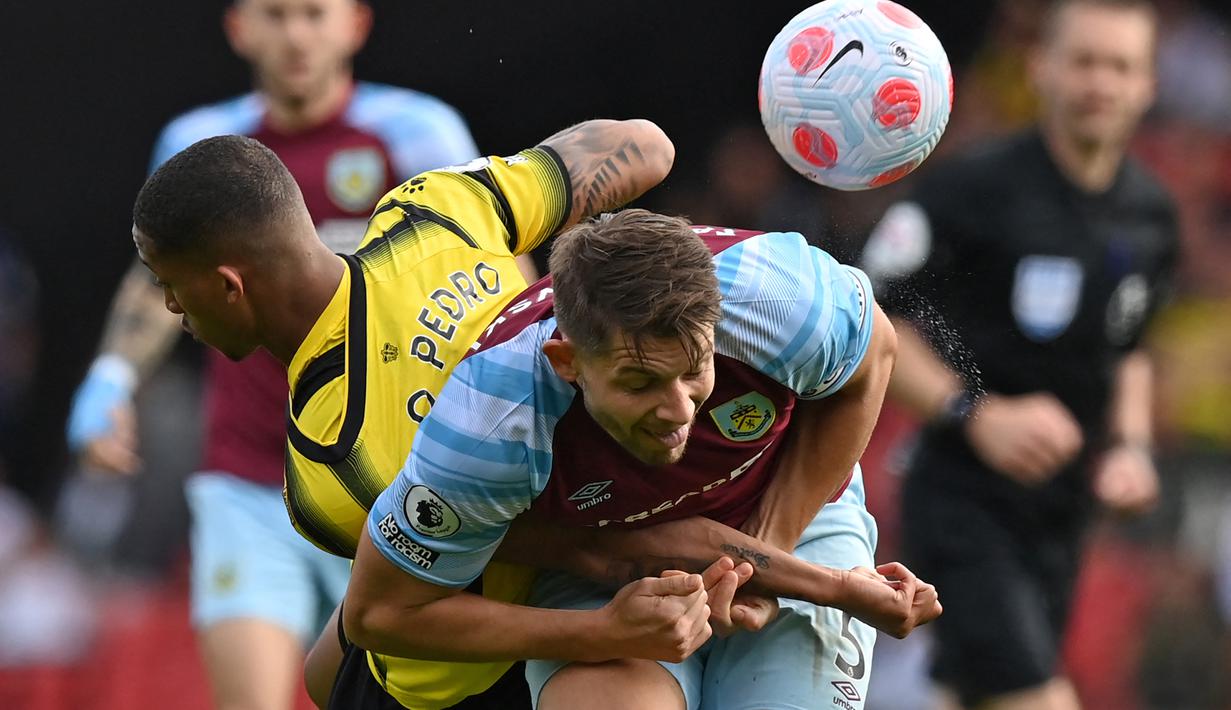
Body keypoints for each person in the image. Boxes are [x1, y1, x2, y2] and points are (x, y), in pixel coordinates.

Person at [129, 115, 685, 708]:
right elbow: (649, 144)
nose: (168, 306)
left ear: (228, 286)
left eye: (169, 284)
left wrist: (604, 633)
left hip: (466, 685)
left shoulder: (331, 460)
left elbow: (403, 613)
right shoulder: (432, 212)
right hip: (609, 564)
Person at [65, 1, 499, 708]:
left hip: (384, 479)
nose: (296, 34)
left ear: (354, 24)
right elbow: (156, 280)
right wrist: (110, 380)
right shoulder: (199, 140)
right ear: (239, 29)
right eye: (274, 14)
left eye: (313, 13)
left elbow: (490, 277)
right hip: (247, 483)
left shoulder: (418, 131)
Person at [343, 208, 941, 710]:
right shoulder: (490, 421)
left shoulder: (779, 299)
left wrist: (767, 558)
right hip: (598, 582)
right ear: (567, 362)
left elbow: (874, 357)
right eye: (639, 384)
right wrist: (602, 632)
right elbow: (379, 613)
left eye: (693, 372)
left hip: (792, 514)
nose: (677, 410)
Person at [858, 1, 1179, 708]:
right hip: (962, 500)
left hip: (1060, 517)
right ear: (1041, 68)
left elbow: (1128, 346)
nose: (1100, 82)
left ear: (1147, 84)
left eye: (1119, 66)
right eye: (1084, 61)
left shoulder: (1152, 215)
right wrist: (975, 411)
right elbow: (876, 317)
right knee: (1035, 696)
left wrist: (1129, 447)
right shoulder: (968, 193)